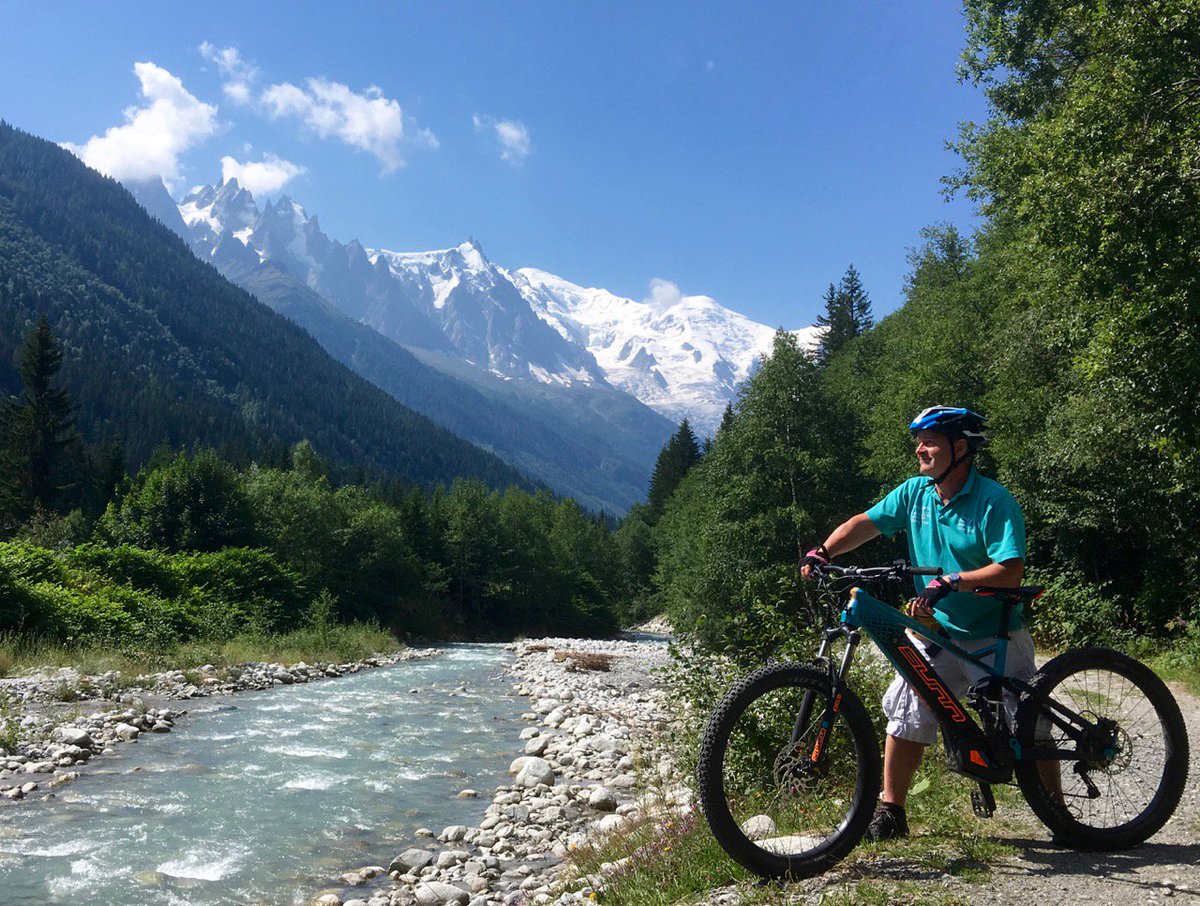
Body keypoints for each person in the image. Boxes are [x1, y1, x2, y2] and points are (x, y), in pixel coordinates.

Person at [800, 405, 1034, 842]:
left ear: (959, 448)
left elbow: (1010, 570)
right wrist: (824, 552)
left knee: (1029, 725)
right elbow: (864, 524)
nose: (919, 449)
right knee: (906, 706)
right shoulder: (916, 493)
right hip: (936, 629)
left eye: (929, 441)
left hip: (992, 629)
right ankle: (892, 812)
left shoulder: (993, 501)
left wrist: (955, 580)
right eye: (918, 440)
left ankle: (1060, 814)